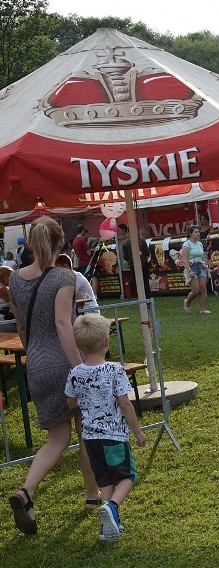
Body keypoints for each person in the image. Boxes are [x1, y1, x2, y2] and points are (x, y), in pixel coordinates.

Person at [7, 217, 100, 535]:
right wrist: (80, 370)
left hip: (37, 364)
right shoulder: (65, 276)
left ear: (30, 244)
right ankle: (92, 496)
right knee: (85, 429)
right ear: (61, 244)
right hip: (65, 360)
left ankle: (27, 492)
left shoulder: (15, 281)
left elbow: (21, 327)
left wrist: (33, 356)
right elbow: (63, 325)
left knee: (57, 439)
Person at [65, 313, 146, 542]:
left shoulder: (75, 373)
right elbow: (125, 403)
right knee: (127, 476)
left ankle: (108, 528)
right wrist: (137, 431)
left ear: (79, 345)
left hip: (89, 439)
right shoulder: (114, 370)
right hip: (114, 437)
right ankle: (112, 507)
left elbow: (70, 402)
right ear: (106, 341)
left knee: (106, 481)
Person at [180, 225, 211, 314]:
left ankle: (203, 309)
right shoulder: (187, 244)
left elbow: (202, 256)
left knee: (203, 289)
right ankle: (187, 302)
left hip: (201, 266)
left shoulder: (200, 244)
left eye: (198, 232)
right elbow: (184, 259)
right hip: (191, 267)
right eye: (196, 232)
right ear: (190, 234)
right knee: (196, 290)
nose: (198, 234)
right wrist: (189, 270)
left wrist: (205, 264)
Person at [118, 224, 152, 300]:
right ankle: (148, 299)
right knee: (145, 282)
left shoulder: (126, 244)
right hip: (144, 263)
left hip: (133, 265)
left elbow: (125, 257)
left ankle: (141, 299)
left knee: (137, 283)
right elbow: (147, 253)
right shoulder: (142, 241)